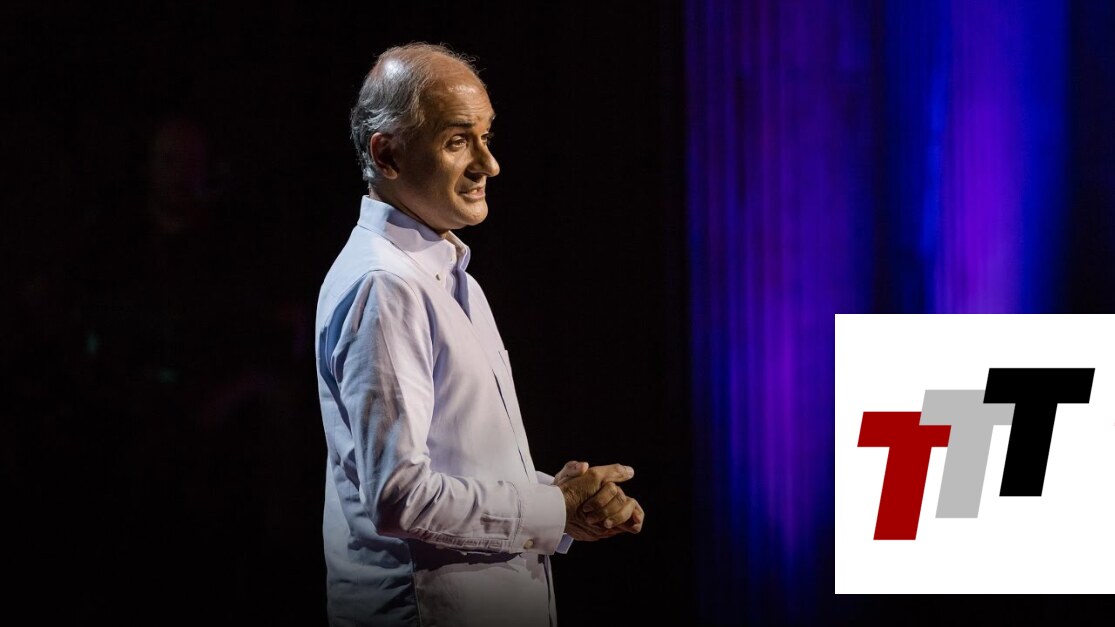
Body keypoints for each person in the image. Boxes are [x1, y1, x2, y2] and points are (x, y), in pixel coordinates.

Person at [314, 43, 645, 627]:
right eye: (457, 141)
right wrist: (550, 508)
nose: (488, 165)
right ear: (387, 154)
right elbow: (400, 496)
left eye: (486, 136)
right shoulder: (386, 286)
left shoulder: (448, 273)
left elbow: (454, 461)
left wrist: (560, 500)